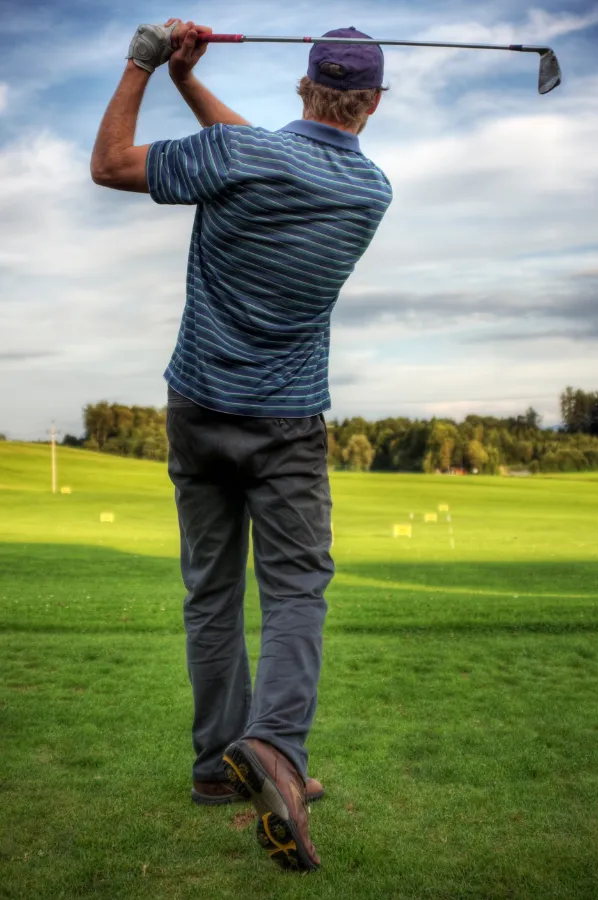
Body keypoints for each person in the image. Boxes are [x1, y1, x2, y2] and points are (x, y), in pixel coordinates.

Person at [91, 19, 392, 872]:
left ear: (303, 85)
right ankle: (274, 753)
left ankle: (218, 764)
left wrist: (145, 63)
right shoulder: (370, 191)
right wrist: (188, 82)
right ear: (372, 104)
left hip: (197, 408)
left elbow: (110, 163)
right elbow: (262, 150)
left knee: (211, 592)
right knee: (295, 591)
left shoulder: (239, 157)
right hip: (285, 421)